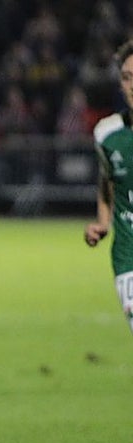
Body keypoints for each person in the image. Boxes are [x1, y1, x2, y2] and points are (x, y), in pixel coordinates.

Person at [86, 40, 133, 335]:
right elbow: (107, 179)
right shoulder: (107, 134)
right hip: (129, 256)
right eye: (127, 78)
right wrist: (103, 222)